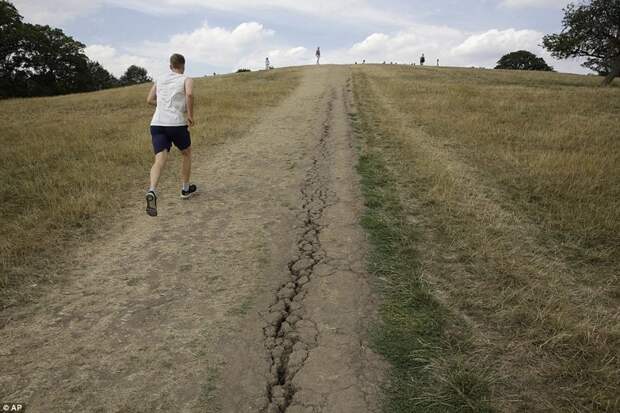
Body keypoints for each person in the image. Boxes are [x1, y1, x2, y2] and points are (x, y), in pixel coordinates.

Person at [145, 53, 196, 217]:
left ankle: (152, 190)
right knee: (186, 153)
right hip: (176, 124)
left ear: (170, 66)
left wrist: (162, 105)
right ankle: (185, 189)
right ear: (183, 65)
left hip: (157, 123)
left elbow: (149, 99)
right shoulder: (186, 79)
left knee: (159, 159)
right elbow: (189, 94)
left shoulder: (160, 79)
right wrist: (189, 114)